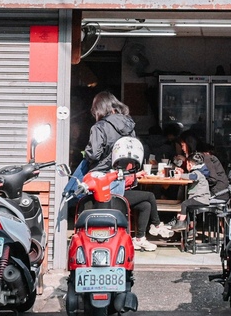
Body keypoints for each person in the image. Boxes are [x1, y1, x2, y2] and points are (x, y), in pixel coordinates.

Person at [68, 92, 172, 250]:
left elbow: (94, 153)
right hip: (120, 176)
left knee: (73, 198)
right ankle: (119, 244)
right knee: (117, 210)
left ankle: (87, 243)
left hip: (100, 177)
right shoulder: (129, 126)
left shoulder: (100, 126)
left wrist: (87, 153)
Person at [167, 152, 212, 233]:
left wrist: (180, 176)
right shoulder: (202, 171)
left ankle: (181, 223)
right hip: (201, 198)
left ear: (190, 164)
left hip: (200, 198)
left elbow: (193, 176)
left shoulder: (197, 172)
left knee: (184, 204)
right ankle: (191, 228)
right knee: (189, 208)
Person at [176, 131, 230, 196]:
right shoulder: (198, 157)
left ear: (189, 144)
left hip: (217, 193)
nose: (182, 148)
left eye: (183, 145)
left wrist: (196, 178)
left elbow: (212, 179)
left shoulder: (205, 156)